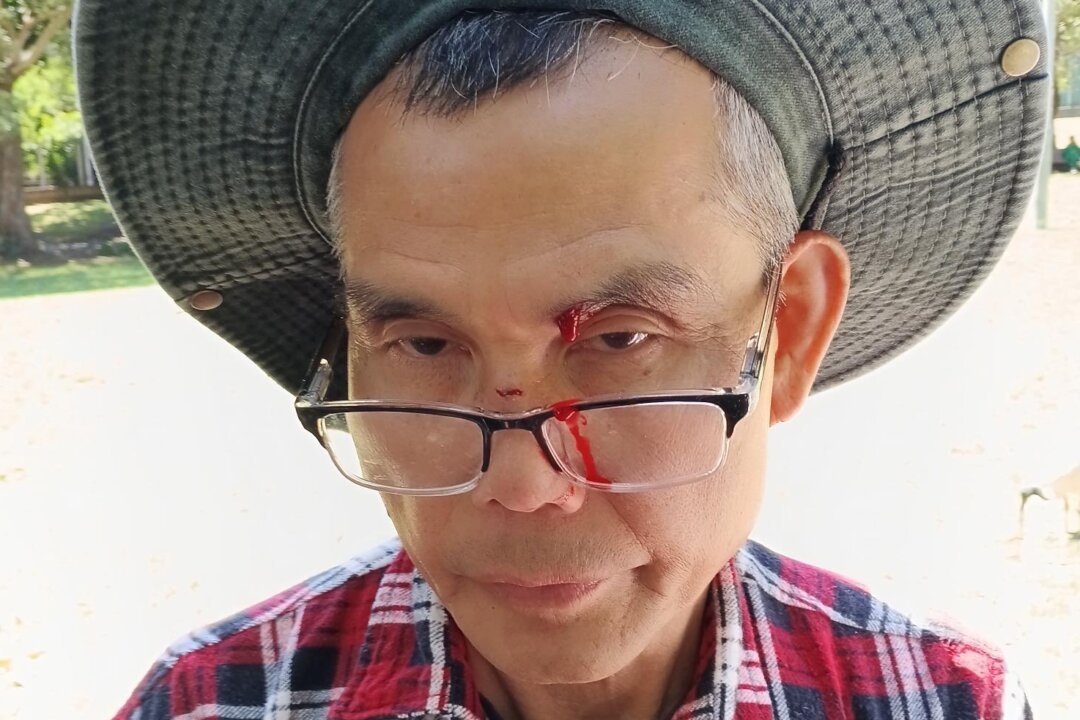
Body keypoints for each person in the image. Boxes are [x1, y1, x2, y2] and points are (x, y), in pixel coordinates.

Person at [75, 2, 1046, 719]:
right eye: (424, 345)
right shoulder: (209, 703)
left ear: (785, 330)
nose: (522, 485)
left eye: (620, 340)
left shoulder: (942, 700)